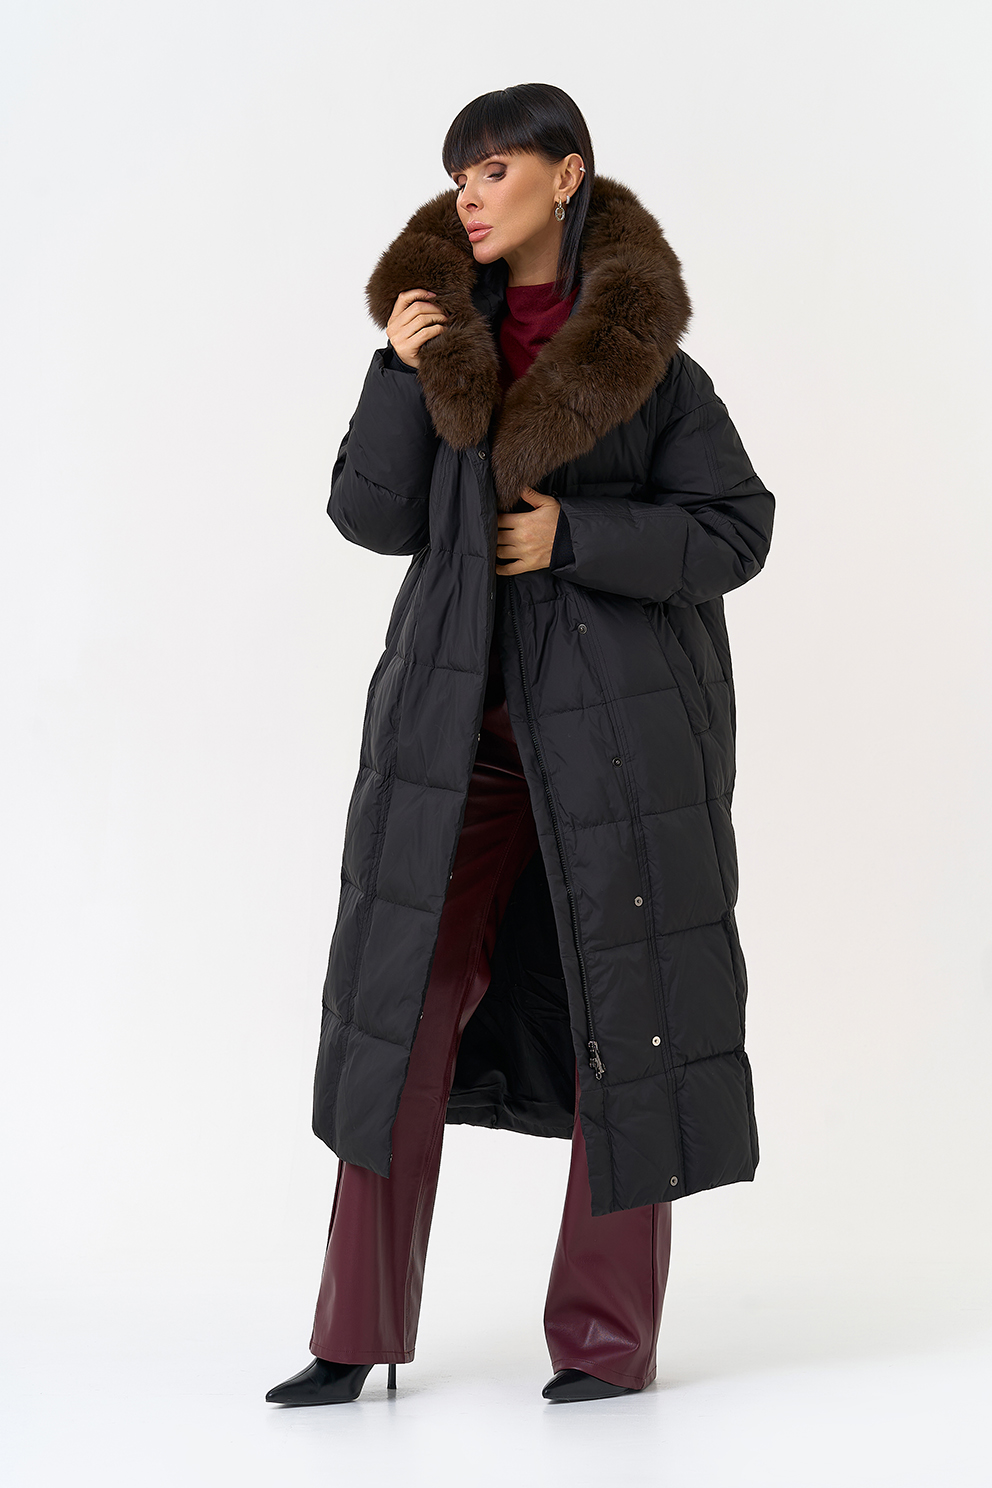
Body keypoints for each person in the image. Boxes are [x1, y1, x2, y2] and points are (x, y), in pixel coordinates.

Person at [266, 82, 775, 1408]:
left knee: (628, 1024)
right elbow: (368, 516)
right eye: (462, 177)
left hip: (619, 751)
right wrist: (397, 365)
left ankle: (606, 1343)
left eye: (495, 170)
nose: (472, 197)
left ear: (567, 174)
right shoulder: (442, 346)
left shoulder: (654, 373)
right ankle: (354, 1332)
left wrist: (577, 538)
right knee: (401, 1005)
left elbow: (738, 528)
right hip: (455, 739)